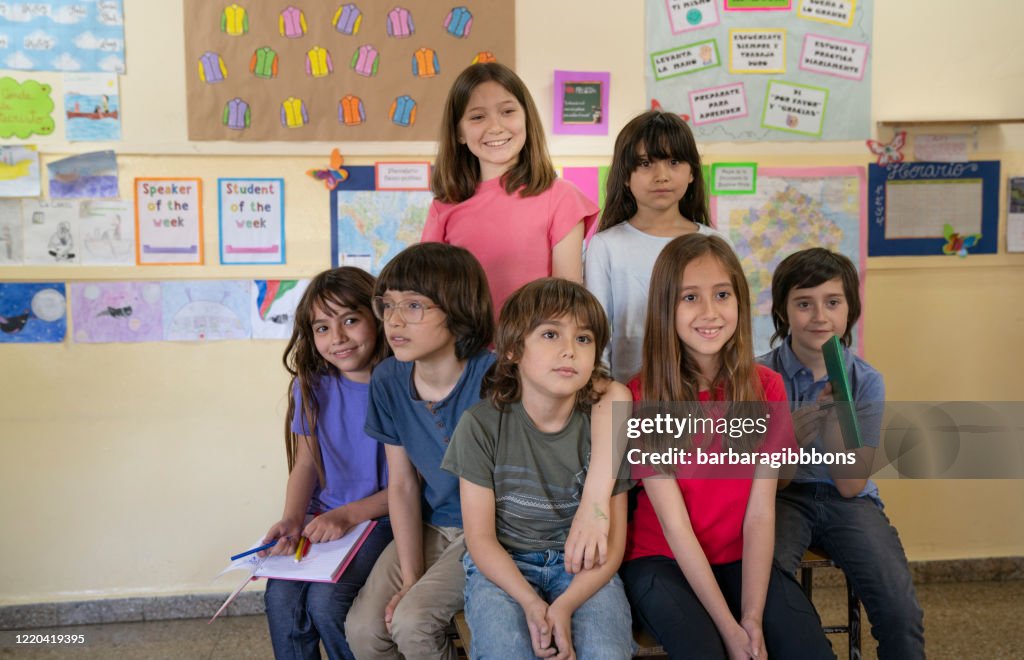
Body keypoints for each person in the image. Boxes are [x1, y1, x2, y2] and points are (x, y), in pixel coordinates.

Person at [619, 234, 834, 659]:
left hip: (740, 557)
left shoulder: (766, 388)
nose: (710, 312)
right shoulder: (641, 396)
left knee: (805, 646)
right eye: (690, 298)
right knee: (710, 650)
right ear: (666, 308)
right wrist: (731, 631)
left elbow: (759, 513)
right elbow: (676, 529)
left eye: (722, 294)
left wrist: (751, 619)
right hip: (662, 560)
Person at [442, 278, 635, 660]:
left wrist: (563, 606)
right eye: (550, 334)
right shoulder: (480, 425)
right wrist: (532, 604)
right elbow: (480, 540)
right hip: (504, 568)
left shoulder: (604, 425)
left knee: (606, 653)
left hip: (584, 572)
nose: (569, 351)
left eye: (583, 339)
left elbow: (611, 548)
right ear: (513, 350)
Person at [757, 248, 925, 659]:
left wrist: (834, 425)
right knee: (763, 584)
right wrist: (788, 437)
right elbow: (767, 481)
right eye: (803, 303)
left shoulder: (865, 382)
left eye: (832, 302)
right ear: (782, 311)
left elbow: (851, 485)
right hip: (782, 496)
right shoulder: (757, 377)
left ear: (850, 309)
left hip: (847, 499)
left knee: (899, 609)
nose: (819, 316)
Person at [344, 243, 495, 660]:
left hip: (493, 529)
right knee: (363, 630)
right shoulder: (388, 379)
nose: (393, 321)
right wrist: (410, 576)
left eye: (413, 306)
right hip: (432, 524)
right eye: (387, 305)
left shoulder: (495, 377)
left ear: (458, 309)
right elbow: (404, 485)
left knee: (413, 623)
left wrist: (414, 594)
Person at [260, 267, 394, 660]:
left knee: (326, 603)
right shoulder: (311, 386)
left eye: (350, 320)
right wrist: (291, 518)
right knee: (280, 598)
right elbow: (305, 465)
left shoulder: (404, 386)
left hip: (382, 520)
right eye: (322, 327)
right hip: (325, 519)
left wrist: (349, 515)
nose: (337, 338)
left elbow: (412, 488)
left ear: (378, 318)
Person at [421, 62, 599, 315]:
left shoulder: (562, 198)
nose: (495, 127)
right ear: (459, 132)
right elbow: (428, 294)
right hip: (463, 351)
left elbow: (565, 301)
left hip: (533, 349)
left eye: (507, 111)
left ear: (527, 117)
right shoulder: (444, 206)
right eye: (477, 117)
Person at [585, 110, 730, 384]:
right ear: (625, 176)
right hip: (629, 393)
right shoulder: (606, 246)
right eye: (645, 163)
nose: (661, 176)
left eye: (674, 161)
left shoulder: (716, 244)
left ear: (691, 173)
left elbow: (732, 319)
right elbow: (597, 330)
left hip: (705, 391)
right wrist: (602, 392)